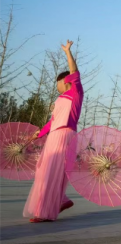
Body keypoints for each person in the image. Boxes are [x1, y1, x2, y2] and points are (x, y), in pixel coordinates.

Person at [23, 40, 83, 223]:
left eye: (57, 82)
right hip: (55, 135)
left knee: (51, 171)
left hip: (65, 135)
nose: (56, 85)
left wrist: (67, 52)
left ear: (64, 81)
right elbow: (53, 121)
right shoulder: (60, 100)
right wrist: (40, 133)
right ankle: (59, 200)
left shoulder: (75, 92)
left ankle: (45, 210)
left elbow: (74, 72)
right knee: (45, 170)